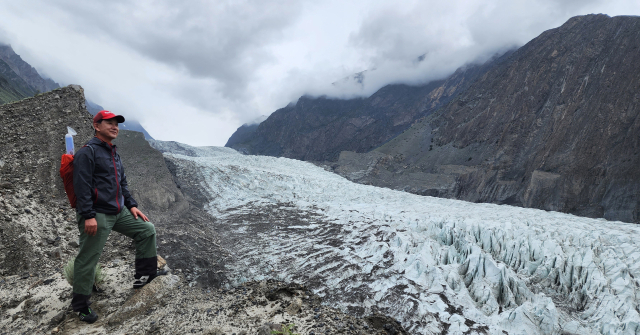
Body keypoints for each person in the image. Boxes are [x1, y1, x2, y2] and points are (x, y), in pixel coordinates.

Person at [71, 110, 165, 323]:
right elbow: (81, 186)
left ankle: (144, 276)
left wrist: (131, 205)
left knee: (146, 230)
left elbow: (122, 183)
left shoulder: (113, 152)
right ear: (97, 126)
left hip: (118, 210)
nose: (115, 127)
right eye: (109, 123)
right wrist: (88, 216)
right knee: (88, 257)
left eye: (116, 124)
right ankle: (80, 306)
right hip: (97, 213)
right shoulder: (87, 152)